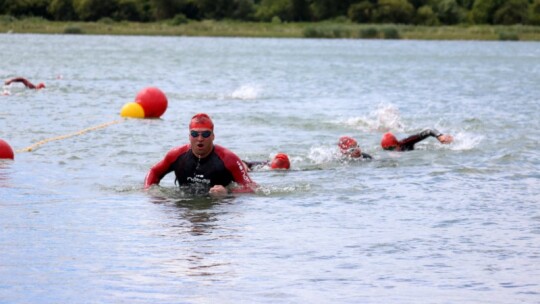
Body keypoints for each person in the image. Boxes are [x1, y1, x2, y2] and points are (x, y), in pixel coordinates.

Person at [144, 113, 256, 197]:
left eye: (206, 134)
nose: (200, 139)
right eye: (195, 134)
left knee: (249, 167)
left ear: (213, 136)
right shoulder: (176, 155)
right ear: (189, 136)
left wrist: (228, 192)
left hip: (218, 208)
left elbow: (251, 187)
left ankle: (250, 165)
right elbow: (154, 171)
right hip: (187, 202)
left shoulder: (229, 159)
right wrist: (149, 190)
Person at [381, 129, 453, 151]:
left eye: (391, 148)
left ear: (396, 144)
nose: (391, 151)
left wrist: (439, 136)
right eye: (386, 149)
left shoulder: (406, 142)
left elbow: (429, 131)